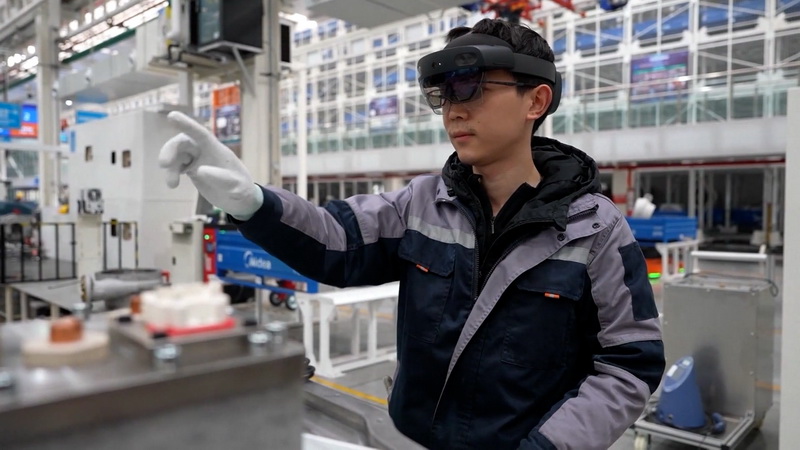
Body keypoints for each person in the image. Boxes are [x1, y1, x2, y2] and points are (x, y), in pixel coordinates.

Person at [159, 18, 665, 450]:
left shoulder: (595, 231)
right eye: (443, 94)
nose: (453, 110)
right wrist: (252, 202)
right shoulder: (421, 204)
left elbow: (628, 366)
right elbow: (335, 240)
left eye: (471, 88)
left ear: (536, 100)